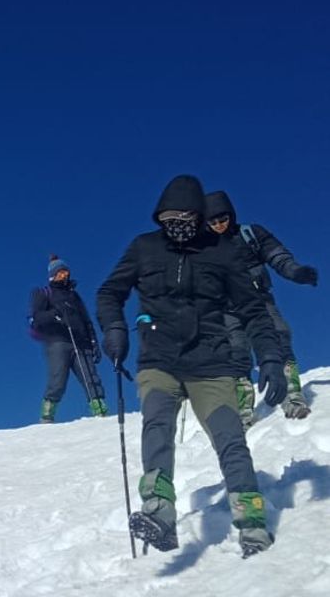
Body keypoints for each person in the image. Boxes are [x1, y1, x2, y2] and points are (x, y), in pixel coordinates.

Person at [96, 174, 288, 557]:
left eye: (183, 217)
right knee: (157, 426)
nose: (176, 225)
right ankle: (159, 510)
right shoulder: (144, 248)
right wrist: (115, 329)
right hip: (159, 361)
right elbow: (109, 293)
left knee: (231, 440)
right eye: (168, 218)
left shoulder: (224, 252)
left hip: (212, 364)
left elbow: (253, 311)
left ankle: (251, 524)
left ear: (198, 216)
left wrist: (270, 355)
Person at [204, 190, 318, 425]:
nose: (219, 226)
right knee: (235, 351)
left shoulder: (250, 234)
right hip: (226, 309)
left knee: (279, 335)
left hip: (259, 301)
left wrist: (296, 272)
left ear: (231, 216)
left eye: (223, 220)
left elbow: (278, 257)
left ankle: (292, 395)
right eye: (213, 222)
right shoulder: (204, 250)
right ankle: (243, 408)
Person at [28, 255, 107, 422]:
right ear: (53, 274)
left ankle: (99, 409)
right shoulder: (43, 293)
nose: (65, 275)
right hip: (57, 342)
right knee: (58, 380)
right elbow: (35, 318)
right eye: (61, 272)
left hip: (81, 342)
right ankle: (47, 414)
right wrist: (54, 315)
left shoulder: (74, 296)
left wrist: (93, 342)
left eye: (66, 271)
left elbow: (86, 320)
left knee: (90, 377)